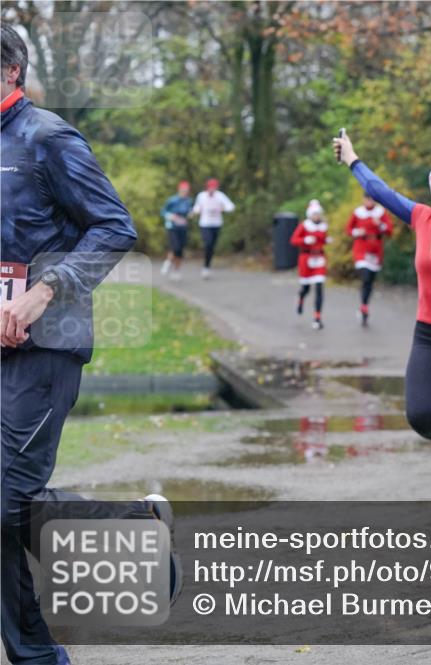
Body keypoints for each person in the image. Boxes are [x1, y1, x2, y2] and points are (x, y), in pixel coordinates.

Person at [1, 24, 179, 665]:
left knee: (8, 498)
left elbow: (114, 227)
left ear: (11, 71)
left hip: (46, 344)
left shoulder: (47, 138)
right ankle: (35, 656)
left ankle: (135, 533)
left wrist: (45, 290)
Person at [332, 130, 431, 527]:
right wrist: (353, 158)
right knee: (418, 413)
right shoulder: (422, 218)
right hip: (429, 334)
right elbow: (380, 190)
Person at [346, 194, 394, 326]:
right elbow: (348, 229)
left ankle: (364, 305)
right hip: (361, 248)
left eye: (371, 199)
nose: (369, 201)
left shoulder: (380, 213)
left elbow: (390, 231)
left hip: (375, 250)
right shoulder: (357, 213)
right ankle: (363, 306)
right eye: (367, 199)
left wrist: (381, 225)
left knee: (370, 280)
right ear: (363, 200)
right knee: (365, 276)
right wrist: (357, 232)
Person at [290, 199, 330, 330]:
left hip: (319, 258)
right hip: (306, 259)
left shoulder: (324, 226)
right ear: (310, 215)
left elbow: (323, 239)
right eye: (314, 214)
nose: (317, 216)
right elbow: (294, 240)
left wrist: (327, 240)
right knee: (306, 288)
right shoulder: (304, 225)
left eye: (318, 214)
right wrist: (305, 240)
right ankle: (300, 298)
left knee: (319, 287)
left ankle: (317, 318)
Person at [191, 177, 235, 279]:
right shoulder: (201, 196)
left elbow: (231, 206)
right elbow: (197, 207)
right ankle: (205, 268)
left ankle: (207, 266)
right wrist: (195, 211)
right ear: (207, 187)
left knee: (212, 247)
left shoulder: (220, 196)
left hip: (216, 224)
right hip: (205, 224)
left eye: (214, 188)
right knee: (208, 243)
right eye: (210, 187)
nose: (212, 190)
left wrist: (223, 208)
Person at [159, 180, 193, 280]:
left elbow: (190, 212)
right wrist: (170, 216)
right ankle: (167, 263)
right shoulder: (172, 200)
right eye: (183, 190)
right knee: (175, 247)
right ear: (179, 190)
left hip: (183, 227)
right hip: (172, 227)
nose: (185, 192)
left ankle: (176, 271)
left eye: (186, 190)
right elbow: (163, 211)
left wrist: (190, 215)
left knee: (180, 250)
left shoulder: (189, 201)